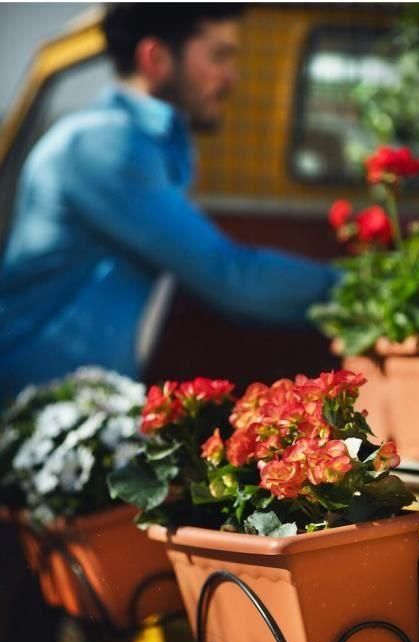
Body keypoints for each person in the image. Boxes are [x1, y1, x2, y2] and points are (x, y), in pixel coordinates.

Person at [0, 3, 339, 400]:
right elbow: (230, 276)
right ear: (155, 58)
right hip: (31, 418)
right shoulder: (102, 145)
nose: (233, 77)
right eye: (219, 56)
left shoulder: (146, 143)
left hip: (79, 410)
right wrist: (360, 288)